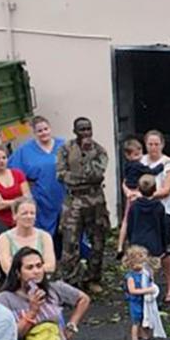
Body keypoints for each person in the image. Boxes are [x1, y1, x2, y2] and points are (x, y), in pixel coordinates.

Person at [47, 117, 109, 291]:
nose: (86, 133)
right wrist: (80, 178)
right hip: (73, 201)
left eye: (88, 129)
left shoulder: (99, 150)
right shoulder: (65, 149)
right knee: (70, 242)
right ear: (75, 131)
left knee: (97, 241)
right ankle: (71, 281)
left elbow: (97, 174)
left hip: (95, 201)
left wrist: (85, 159)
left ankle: (93, 278)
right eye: (82, 129)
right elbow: (60, 174)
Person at [136, 131, 170, 302]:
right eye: (150, 144)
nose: (153, 147)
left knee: (165, 250)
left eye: (156, 144)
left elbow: (167, 189)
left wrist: (146, 196)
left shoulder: (168, 163)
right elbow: (131, 182)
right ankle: (146, 286)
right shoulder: (141, 162)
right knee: (143, 249)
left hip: (163, 211)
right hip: (143, 211)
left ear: (162, 145)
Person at [0, 198, 58, 275]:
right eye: (24, 213)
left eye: (32, 213)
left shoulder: (45, 236)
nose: (29, 216)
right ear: (14, 216)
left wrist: (26, 270)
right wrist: (36, 270)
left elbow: (50, 266)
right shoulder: (4, 238)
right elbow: (7, 267)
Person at [0, 144, 29, 238]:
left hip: (21, 218)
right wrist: (19, 201)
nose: (1, 161)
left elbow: (28, 197)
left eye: (4, 157)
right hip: (0, 222)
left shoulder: (18, 174)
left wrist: (10, 202)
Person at [123, 245, 162, 340]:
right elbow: (132, 291)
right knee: (136, 321)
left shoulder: (144, 273)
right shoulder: (131, 277)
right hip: (135, 301)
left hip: (144, 301)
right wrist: (147, 291)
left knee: (146, 318)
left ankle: (145, 336)